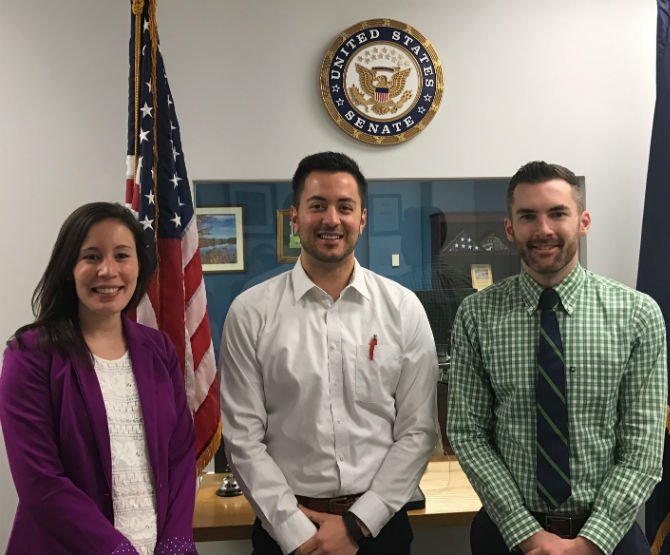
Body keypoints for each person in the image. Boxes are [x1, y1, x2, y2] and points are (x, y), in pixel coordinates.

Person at [219, 151, 438, 555]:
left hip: (380, 532)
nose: (331, 219)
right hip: (285, 535)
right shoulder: (250, 313)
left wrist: (358, 524)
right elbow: (242, 439)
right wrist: (294, 530)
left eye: (345, 207)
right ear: (294, 218)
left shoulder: (403, 309)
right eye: (317, 205)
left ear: (363, 219)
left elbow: (419, 431)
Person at [447, 161, 667, 555]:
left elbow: (642, 447)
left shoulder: (637, 314)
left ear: (583, 221)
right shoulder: (476, 316)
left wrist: (589, 542)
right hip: (508, 536)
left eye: (558, 213)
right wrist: (527, 534)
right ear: (510, 228)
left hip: (609, 537)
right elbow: (468, 433)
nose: (543, 229)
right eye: (528, 216)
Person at [0, 202, 197, 555]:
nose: (108, 271)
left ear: (139, 266)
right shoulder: (29, 354)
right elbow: (40, 482)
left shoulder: (158, 349)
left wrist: (176, 544)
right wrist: (117, 551)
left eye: (122, 256)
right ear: (68, 268)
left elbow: (180, 454)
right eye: (91, 256)